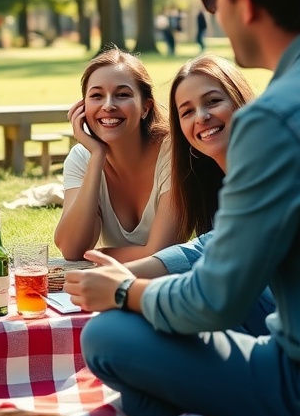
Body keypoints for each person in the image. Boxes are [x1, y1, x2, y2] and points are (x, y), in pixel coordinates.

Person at [65, 0, 300, 416]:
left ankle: (189, 401)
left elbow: (211, 301)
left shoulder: (275, 120)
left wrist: (121, 292)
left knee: (107, 339)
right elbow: (217, 247)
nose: (215, 15)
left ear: (246, 3)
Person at [91, 53, 275, 335]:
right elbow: (205, 251)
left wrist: (127, 284)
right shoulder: (208, 181)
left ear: (240, 100)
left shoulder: (270, 169)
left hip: (291, 332)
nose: (202, 117)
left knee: (109, 334)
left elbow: (209, 256)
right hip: (250, 318)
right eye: (187, 111)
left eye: (213, 101)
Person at [54, 46, 182, 261]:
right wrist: (97, 156)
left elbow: (160, 253)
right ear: (82, 107)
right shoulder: (81, 158)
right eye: (96, 95)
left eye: (122, 95)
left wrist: (95, 256)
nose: (108, 105)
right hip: (115, 285)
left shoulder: (173, 153)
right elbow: (71, 248)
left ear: (145, 108)